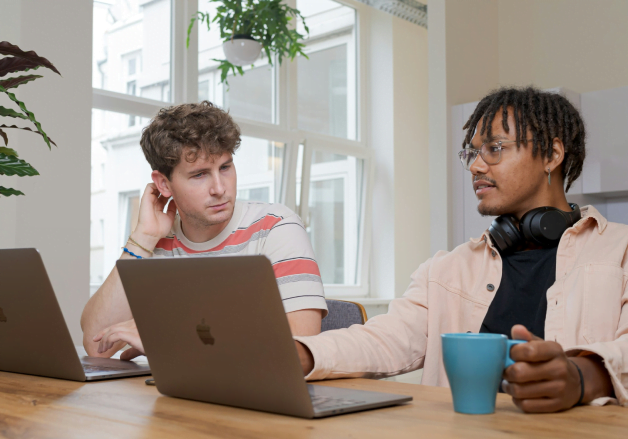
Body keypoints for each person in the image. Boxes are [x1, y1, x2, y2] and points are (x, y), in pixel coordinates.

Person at [294, 86, 628, 413]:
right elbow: (383, 339)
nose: (475, 167)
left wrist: (584, 376)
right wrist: (301, 354)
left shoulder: (620, 251)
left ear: (552, 155)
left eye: (495, 148)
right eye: (472, 153)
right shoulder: (444, 270)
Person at [81, 102, 327, 360]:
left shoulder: (276, 227)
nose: (220, 188)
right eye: (200, 174)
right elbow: (96, 345)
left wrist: (170, 342)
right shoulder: (156, 242)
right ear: (164, 183)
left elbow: (302, 348)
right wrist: (142, 238)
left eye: (225, 167)